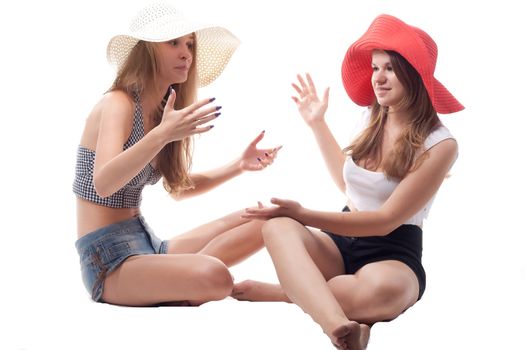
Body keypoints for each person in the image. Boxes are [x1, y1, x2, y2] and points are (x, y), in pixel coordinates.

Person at [233, 14, 463, 350]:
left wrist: (305, 213)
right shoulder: (370, 117)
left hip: (393, 253)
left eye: (389, 68)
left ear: (414, 75)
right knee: (277, 227)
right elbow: (350, 186)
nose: (378, 79)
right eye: (375, 68)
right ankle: (339, 326)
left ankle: (287, 292)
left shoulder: (441, 144)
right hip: (339, 242)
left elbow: (385, 221)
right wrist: (317, 123)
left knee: (379, 293)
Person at [73, 3, 280, 307]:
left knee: (266, 220)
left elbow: (178, 188)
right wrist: (162, 135)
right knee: (217, 276)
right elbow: (104, 183)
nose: (186, 53)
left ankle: (179, 279)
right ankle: (190, 277)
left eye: (189, 44)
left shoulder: (163, 114)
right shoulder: (118, 102)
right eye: (174, 43)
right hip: (108, 261)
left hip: (147, 244)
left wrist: (239, 165)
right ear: (147, 51)